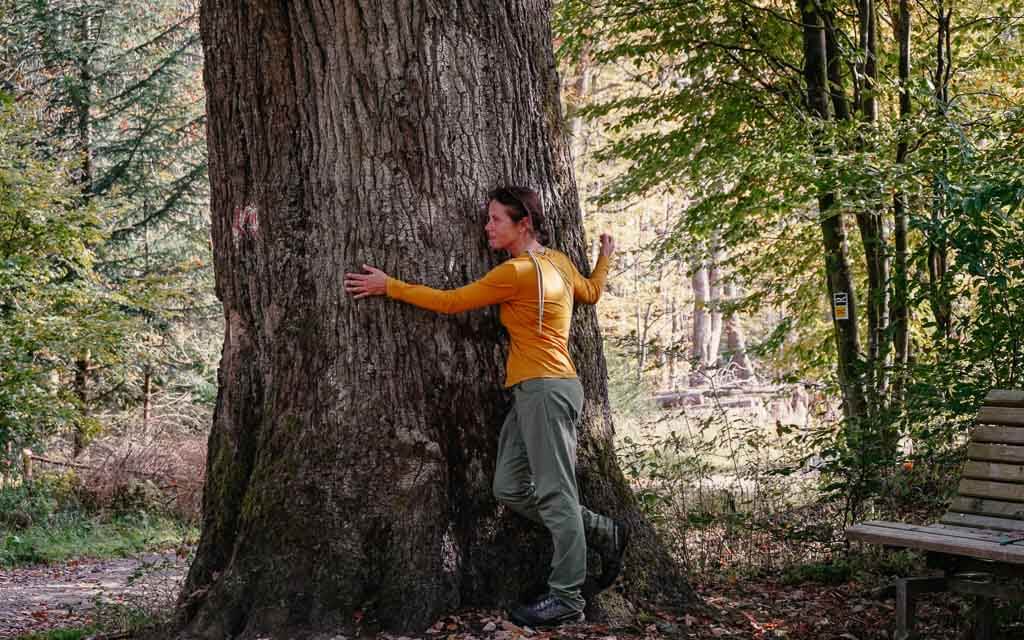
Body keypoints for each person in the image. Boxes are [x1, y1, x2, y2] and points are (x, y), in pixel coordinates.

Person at [344, 186, 629, 627]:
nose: (487, 227)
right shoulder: (558, 263)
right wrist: (605, 256)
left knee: (556, 495)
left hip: (545, 390)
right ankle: (600, 528)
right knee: (509, 488)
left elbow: (452, 301)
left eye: (497, 219)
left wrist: (390, 286)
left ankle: (567, 598)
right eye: (488, 218)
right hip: (538, 390)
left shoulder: (516, 272)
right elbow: (590, 291)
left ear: (524, 225)